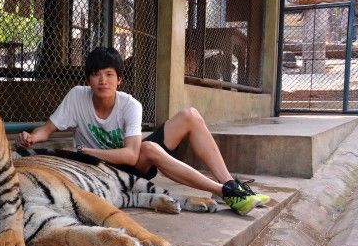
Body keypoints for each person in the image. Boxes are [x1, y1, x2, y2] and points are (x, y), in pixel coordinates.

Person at [16, 46, 269, 215]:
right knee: (148, 147)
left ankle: (230, 184)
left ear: (119, 80)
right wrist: (32, 137)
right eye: (96, 75)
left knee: (189, 116)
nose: (102, 81)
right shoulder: (77, 97)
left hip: (126, 165)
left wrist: (82, 150)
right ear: (88, 79)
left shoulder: (130, 105)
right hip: (96, 171)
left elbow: (130, 156)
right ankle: (224, 192)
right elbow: (47, 130)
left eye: (109, 74)